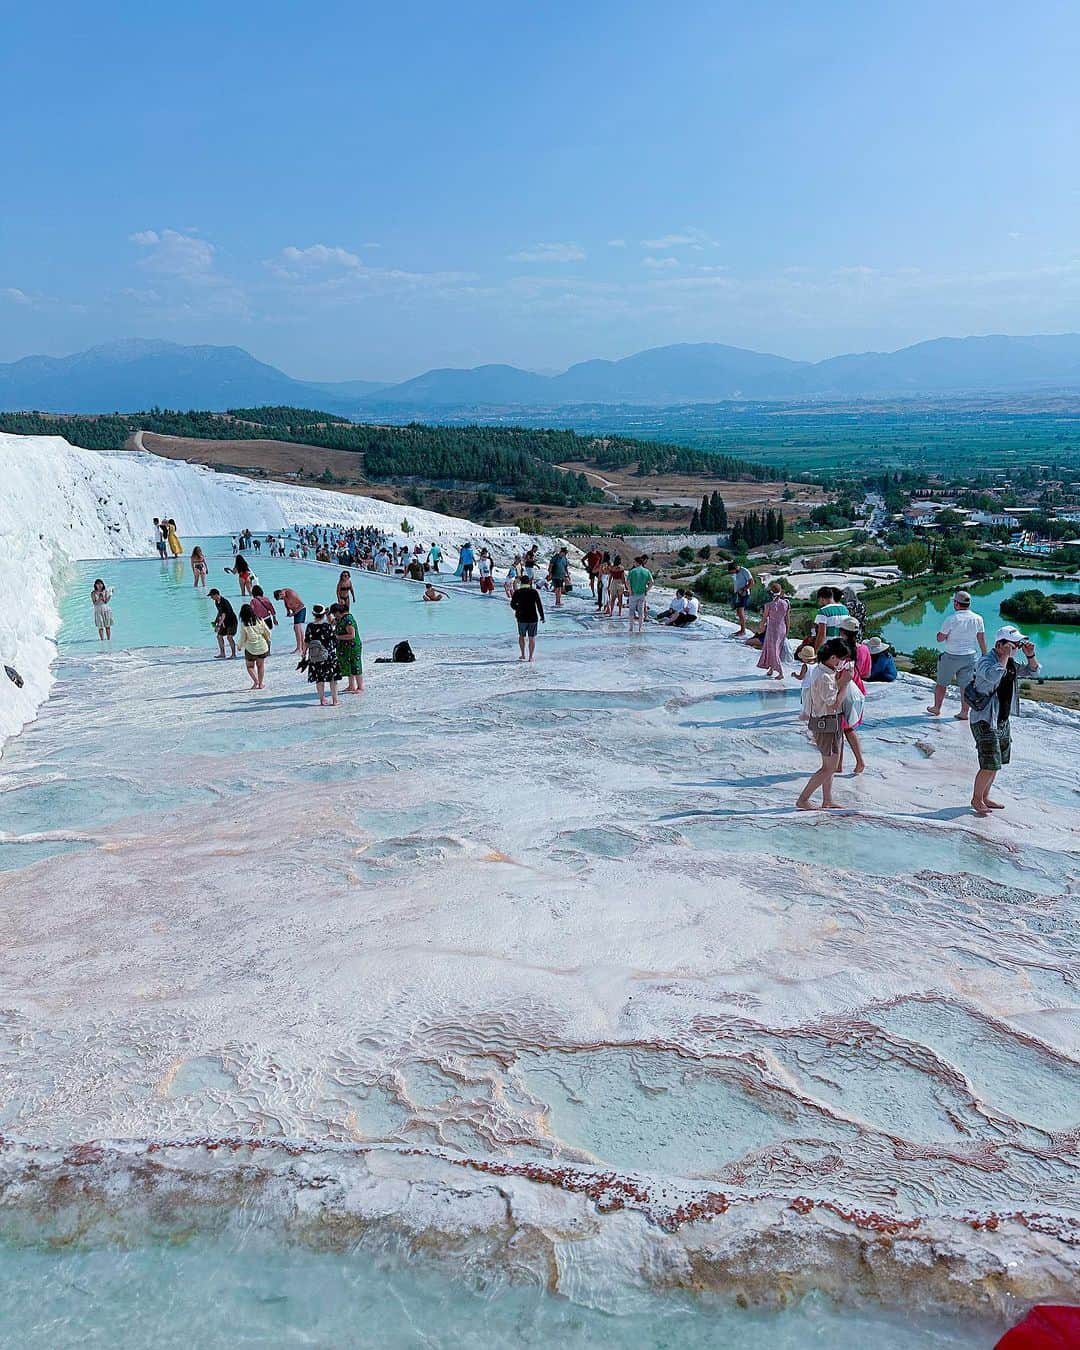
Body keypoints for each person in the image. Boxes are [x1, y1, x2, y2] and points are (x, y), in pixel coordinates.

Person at [968, 625, 1040, 816]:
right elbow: (992, 676)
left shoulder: (1010, 663)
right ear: (1000, 644)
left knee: (997, 762)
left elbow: (1034, 673)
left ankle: (985, 796)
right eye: (1014, 645)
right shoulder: (985, 661)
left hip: (1001, 719)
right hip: (985, 720)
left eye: (1017, 645)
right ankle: (976, 799)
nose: (1016, 648)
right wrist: (1005, 656)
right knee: (989, 763)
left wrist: (1030, 655)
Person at [796, 638, 854, 811]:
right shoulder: (824, 677)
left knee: (829, 765)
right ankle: (803, 799)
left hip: (829, 723)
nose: (842, 663)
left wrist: (839, 680)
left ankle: (827, 799)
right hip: (826, 723)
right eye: (841, 659)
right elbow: (833, 704)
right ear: (834, 658)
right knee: (830, 767)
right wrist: (845, 683)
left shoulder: (822, 671)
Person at [927, 590, 987, 720]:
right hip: (970, 656)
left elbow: (940, 638)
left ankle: (936, 708)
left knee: (942, 683)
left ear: (956, 603)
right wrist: (984, 654)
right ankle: (964, 713)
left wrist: (940, 635)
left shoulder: (951, 619)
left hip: (951, 656)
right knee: (965, 686)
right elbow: (981, 638)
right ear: (969, 604)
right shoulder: (978, 618)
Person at [836, 616, 869, 774]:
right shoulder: (864, 649)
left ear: (842, 632)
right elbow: (866, 673)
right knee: (848, 728)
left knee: (839, 729)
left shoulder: (837, 649)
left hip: (841, 691)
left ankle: (839, 764)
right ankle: (857, 762)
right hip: (857, 691)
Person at [302, 605, 341, 706]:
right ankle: (335, 700)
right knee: (332, 679)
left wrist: (304, 652)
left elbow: (306, 641)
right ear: (324, 614)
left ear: (313, 614)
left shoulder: (310, 626)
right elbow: (334, 640)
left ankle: (322, 700)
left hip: (315, 656)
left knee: (319, 679)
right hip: (328, 656)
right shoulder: (327, 626)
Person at [757, 581, 789, 679]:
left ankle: (780, 672)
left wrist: (760, 628)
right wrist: (787, 630)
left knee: (773, 649)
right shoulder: (786, 603)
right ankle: (771, 669)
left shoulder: (769, 605)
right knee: (776, 649)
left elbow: (764, 618)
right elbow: (787, 618)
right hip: (782, 628)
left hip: (772, 630)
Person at [329, 602, 363, 694]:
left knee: (355, 665)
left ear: (338, 612)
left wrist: (338, 637)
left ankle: (360, 687)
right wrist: (326, 614)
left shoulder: (348, 619)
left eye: (333, 613)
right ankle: (351, 686)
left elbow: (352, 635)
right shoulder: (341, 618)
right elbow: (331, 623)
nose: (334, 616)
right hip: (345, 647)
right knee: (348, 665)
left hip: (353, 646)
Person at [510, 574, 545, 661]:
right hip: (533, 617)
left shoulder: (517, 592)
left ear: (521, 582)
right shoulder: (534, 592)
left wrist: (519, 609)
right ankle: (530, 657)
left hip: (521, 617)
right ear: (529, 582)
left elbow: (512, 604)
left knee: (521, 636)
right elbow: (539, 605)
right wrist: (542, 616)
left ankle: (522, 654)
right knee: (531, 637)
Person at [237, 603, 271, 689]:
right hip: (262, 647)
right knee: (261, 666)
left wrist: (239, 646)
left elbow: (243, 638)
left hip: (251, 649)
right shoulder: (260, 620)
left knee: (250, 666)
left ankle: (256, 681)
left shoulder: (244, 624)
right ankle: (260, 684)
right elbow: (267, 632)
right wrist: (268, 640)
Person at [812, 586, 848, 650]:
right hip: (842, 646)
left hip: (828, 648)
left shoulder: (823, 611)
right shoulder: (845, 609)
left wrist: (816, 651)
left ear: (821, 598)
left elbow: (821, 634)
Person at [273, 587, 306, 654]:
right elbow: (285, 602)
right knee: (297, 628)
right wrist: (288, 611)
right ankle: (302, 645)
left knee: (296, 627)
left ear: (281, 594)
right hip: (295, 611)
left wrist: (294, 613)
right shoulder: (284, 594)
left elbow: (302, 605)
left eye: (281, 598)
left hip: (301, 610)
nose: (282, 599)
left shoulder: (291, 594)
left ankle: (299, 648)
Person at [626, 555, 653, 634]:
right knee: (641, 611)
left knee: (631, 610)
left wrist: (630, 591)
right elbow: (652, 582)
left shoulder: (632, 571)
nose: (633, 563)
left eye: (634, 562)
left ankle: (631, 627)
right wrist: (647, 590)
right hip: (642, 594)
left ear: (637, 562)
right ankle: (640, 628)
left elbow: (627, 582)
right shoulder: (646, 571)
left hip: (633, 593)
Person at [208, 589, 238, 659]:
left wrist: (218, 625)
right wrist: (215, 621)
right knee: (219, 636)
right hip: (224, 621)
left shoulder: (224, 602)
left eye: (212, 596)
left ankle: (233, 654)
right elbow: (220, 612)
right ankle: (222, 653)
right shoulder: (216, 602)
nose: (211, 597)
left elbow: (224, 614)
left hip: (231, 621)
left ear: (216, 595)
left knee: (229, 637)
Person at [727, 561, 753, 637]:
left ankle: (743, 631)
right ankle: (741, 629)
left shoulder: (744, 571)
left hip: (744, 594)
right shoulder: (736, 572)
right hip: (737, 594)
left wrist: (743, 589)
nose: (732, 573)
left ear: (735, 568)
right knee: (738, 612)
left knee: (741, 612)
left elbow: (752, 582)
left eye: (732, 571)